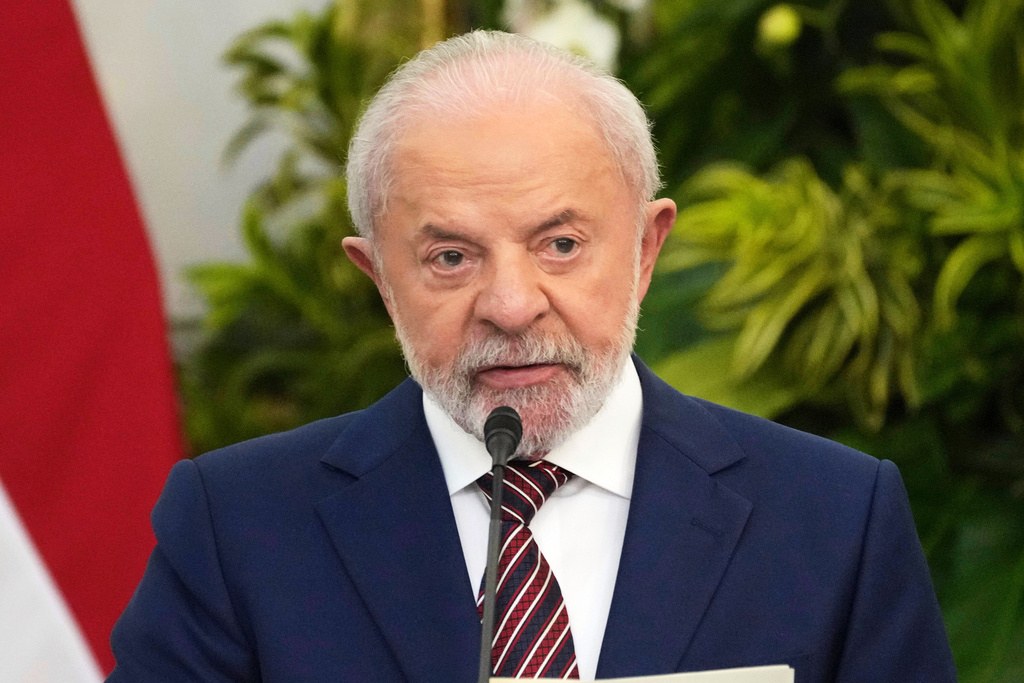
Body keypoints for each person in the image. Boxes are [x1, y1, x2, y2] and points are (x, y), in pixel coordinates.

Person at [108, 31, 956, 682]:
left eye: (559, 243)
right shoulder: (237, 525)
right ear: (378, 277)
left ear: (646, 250)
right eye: (450, 258)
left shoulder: (835, 518)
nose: (511, 305)